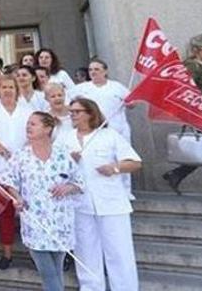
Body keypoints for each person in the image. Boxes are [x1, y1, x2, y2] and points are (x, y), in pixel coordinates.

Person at [66, 98, 142, 291]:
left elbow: (135, 162)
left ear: (90, 113)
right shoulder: (65, 137)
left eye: (77, 111)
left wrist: (115, 167)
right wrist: (68, 161)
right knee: (85, 253)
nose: (73, 115)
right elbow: (55, 169)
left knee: (119, 252)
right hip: (80, 204)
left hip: (111, 203)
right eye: (71, 111)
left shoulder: (109, 135)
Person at [3, 112, 82, 291]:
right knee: (48, 273)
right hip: (35, 223)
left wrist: (68, 187)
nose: (28, 127)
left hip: (61, 222)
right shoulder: (20, 156)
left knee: (56, 271)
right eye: (28, 124)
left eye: (33, 124)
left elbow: (79, 182)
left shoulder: (62, 154)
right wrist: (17, 197)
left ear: (47, 128)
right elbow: (8, 181)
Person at [0, 75, 33, 269]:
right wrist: (1, 150)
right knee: (5, 213)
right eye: (4, 87)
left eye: (11, 87)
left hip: (24, 168)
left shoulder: (27, 111)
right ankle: (7, 254)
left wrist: (21, 153)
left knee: (29, 211)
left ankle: (36, 253)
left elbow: (34, 133)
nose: (8, 90)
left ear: (16, 90)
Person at [68, 58, 135, 197]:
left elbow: (132, 103)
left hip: (118, 129)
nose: (93, 72)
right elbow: (68, 103)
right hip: (94, 130)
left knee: (121, 159)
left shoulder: (117, 87)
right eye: (91, 70)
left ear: (105, 71)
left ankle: (126, 191)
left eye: (97, 69)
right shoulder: (81, 88)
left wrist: (130, 103)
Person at [163, 33, 202, 192]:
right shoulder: (191, 66)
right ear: (197, 49)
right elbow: (184, 89)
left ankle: (176, 175)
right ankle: (175, 175)